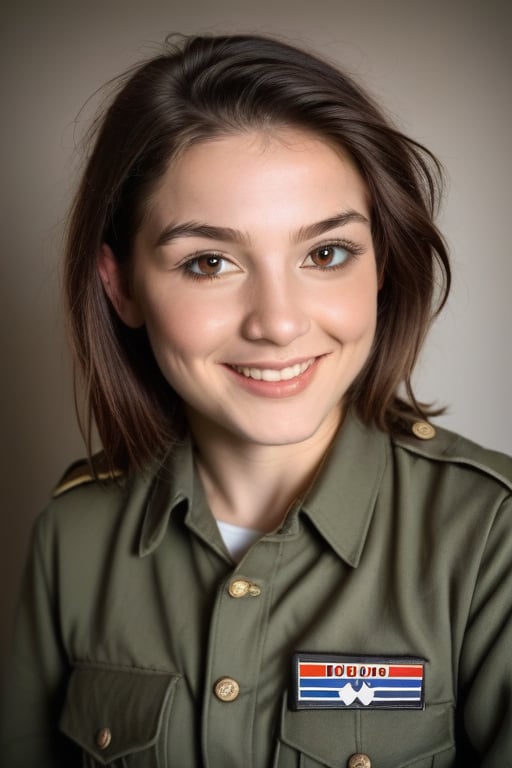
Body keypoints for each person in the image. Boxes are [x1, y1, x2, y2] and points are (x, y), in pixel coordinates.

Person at [1, 33, 511, 768]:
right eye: (210, 262)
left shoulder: (495, 535)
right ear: (121, 286)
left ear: (383, 265)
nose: (277, 322)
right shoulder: (71, 535)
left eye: (326, 253)